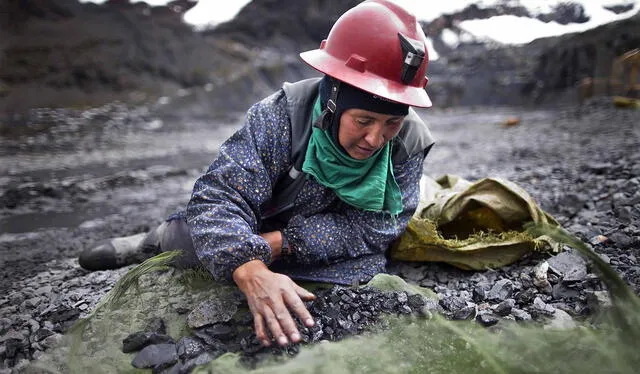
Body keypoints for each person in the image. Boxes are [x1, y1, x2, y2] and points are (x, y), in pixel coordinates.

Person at [79, 0, 434, 348]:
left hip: (319, 244)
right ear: (333, 98)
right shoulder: (279, 117)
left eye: (391, 123)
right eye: (363, 120)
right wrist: (248, 264)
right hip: (255, 224)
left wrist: (280, 244)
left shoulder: (409, 142)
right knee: (194, 240)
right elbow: (219, 197)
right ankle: (154, 239)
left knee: (365, 270)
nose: (375, 139)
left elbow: (379, 226)